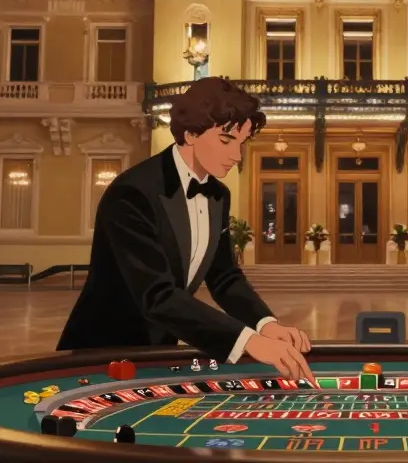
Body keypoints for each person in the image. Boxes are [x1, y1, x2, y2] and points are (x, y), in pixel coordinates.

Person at [58, 77, 316, 384]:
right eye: (225, 140)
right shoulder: (132, 192)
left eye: (241, 143)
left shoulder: (218, 194)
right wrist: (250, 342)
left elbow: (224, 276)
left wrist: (266, 325)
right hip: (100, 355)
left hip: (160, 354)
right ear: (191, 133)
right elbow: (157, 296)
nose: (237, 156)